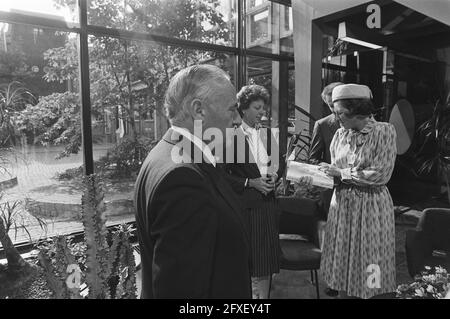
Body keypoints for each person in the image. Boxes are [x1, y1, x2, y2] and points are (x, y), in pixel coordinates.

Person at [134, 64, 251, 299]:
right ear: (199, 110)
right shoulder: (183, 179)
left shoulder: (166, 154)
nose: (238, 119)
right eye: (232, 109)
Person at [318, 83, 397, 299]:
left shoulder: (384, 131)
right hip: (342, 207)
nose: (337, 118)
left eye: (341, 113)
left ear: (357, 109)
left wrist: (341, 173)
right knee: (343, 263)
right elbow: (333, 172)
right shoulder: (340, 135)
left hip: (371, 208)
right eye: (335, 113)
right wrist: (314, 176)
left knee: (371, 261)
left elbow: (381, 174)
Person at [224, 84, 281, 299]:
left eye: (263, 108)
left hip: (269, 207)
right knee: (249, 265)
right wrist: (250, 182)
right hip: (247, 209)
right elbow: (222, 176)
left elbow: (277, 164)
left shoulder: (267, 134)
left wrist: (274, 175)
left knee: (265, 265)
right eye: (257, 107)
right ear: (243, 108)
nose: (262, 112)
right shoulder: (230, 136)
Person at [309, 82, 343, 297]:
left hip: (359, 190)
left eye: (334, 105)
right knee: (333, 239)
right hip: (331, 191)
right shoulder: (323, 124)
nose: (332, 110)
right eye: (328, 106)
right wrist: (329, 172)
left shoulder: (369, 127)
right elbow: (313, 158)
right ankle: (333, 280)